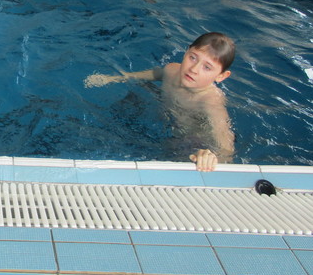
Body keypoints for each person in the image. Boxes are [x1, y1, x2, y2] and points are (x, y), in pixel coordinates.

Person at [84, 32, 236, 172]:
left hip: (189, 141)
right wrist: (116, 78)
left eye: (207, 67)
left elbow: (226, 145)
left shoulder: (210, 102)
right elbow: (157, 73)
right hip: (166, 117)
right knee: (139, 91)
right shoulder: (172, 70)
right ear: (186, 51)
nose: (194, 69)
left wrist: (211, 157)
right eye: (193, 58)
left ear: (221, 76)